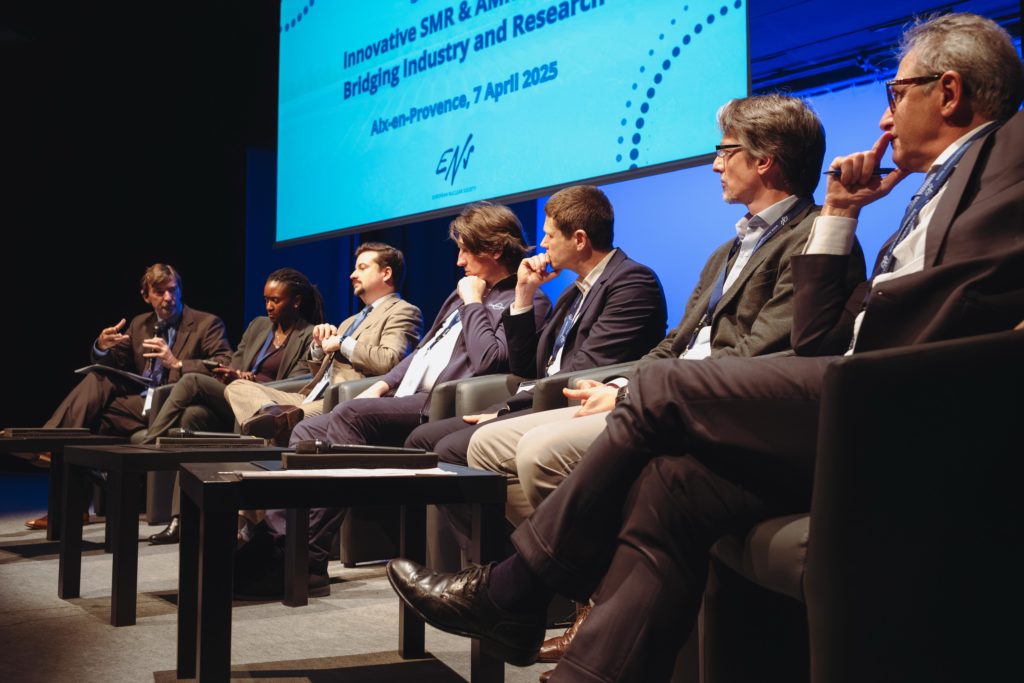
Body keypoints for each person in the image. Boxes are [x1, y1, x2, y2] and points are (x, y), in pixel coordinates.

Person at [385, 12, 1024, 682]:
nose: (885, 117)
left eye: (896, 92)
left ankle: (517, 589)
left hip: (893, 405)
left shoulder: (1003, 160)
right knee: (671, 484)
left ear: (949, 92)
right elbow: (816, 336)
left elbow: (811, 343)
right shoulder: (903, 201)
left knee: (658, 392)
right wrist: (841, 212)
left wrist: (630, 388)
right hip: (846, 390)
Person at [459, 95, 865, 665]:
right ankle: (573, 599)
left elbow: (764, 353)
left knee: (539, 454)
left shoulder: (814, 238)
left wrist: (634, 392)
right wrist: (624, 385)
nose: (715, 164)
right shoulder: (728, 249)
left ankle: (577, 607)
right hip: (667, 392)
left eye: (725, 151)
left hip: (710, 406)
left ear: (765, 161)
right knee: (488, 445)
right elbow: (675, 344)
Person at [234, 202, 552, 599]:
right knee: (308, 429)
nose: (458, 261)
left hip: (441, 403)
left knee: (350, 416)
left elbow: (492, 360)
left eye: (465, 251)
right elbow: (422, 353)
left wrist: (473, 304)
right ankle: (280, 541)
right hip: (409, 394)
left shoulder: (523, 300)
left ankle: (300, 557)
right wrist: (384, 384)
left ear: (493, 249)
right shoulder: (459, 295)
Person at [404, 184, 667, 469]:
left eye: (550, 235)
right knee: (421, 439)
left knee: (448, 449)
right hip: (537, 400)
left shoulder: (632, 283)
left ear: (579, 239)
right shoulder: (573, 292)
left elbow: (582, 371)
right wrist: (524, 293)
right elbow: (525, 366)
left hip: (572, 407)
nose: (542, 244)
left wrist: (507, 410)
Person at [26, 263, 232, 530]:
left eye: (172, 290)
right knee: (97, 384)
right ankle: (69, 495)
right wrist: (103, 348)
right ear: (146, 296)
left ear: (180, 290)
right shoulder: (139, 324)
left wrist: (176, 363)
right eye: (159, 292)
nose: (168, 298)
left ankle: (49, 445)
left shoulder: (206, 323)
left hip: (173, 404)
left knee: (88, 420)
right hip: (140, 403)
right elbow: (118, 365)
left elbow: (224, 365)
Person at [141, 267, 324, 544]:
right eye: (266, 300)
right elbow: (236, 363)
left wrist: (253, 382)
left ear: (296, 301)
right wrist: (235, 374)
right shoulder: (258, 326)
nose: (269, 306)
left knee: (191, 383)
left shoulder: (307, 335)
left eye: (275, 300)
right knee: (192, 415)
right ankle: (182, 519)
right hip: (234, 395)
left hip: (267, 406)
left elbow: (297, 385)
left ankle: (146, 448)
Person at [223, 243, 423, 444]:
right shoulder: (350, 321)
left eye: (362, 268)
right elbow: (322, 372)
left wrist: (343, 342)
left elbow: (391, 361)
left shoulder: (403, 311)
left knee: (281, 425)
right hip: (312, 395)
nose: (352, 275)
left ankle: (276, 420)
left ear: (386, 273)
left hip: (344, 399)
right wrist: (318, 348)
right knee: (238, 387)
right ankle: (272, 413)